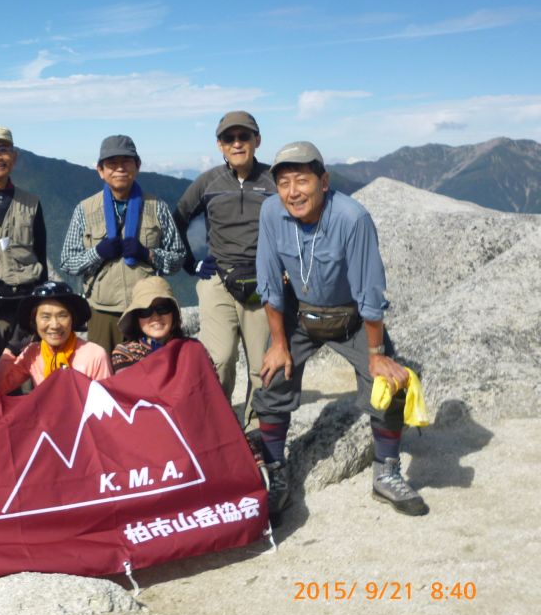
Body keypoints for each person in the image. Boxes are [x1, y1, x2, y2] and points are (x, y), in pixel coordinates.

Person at [253, 141, 427, 521]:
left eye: (302, 180)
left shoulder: (352, 218)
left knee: (388, 386)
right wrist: (278, 343)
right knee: (271, 380)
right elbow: (267, 281)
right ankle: (276, 471)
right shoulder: (270, 213)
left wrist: (377, 355)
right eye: (284, 183)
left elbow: (369, 290)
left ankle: (386, 471)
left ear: (324, 181)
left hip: (350, 318)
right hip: (300, 315)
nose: (293, 192)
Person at [173, 112, 276, 423]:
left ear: (257, 140)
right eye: (229, 138)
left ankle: (257, 435)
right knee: (219, 360)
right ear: (219, 145)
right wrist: (191, 264)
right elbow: (177, 219)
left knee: (262, 367)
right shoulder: (208, 182)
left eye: (244, 137)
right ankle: (218, 428)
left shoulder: (274, 180)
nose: (237, 143)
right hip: (218, 278)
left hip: (262, 282)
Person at [60, 134, 185, 354]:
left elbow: (177, 258)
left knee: (149, 378)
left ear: (137, 166)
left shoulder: (157, 207)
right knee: (103, 378)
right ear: (100, 170)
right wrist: (97, 253)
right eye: (112, 163)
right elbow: (68, 262)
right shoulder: (85, 210)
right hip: (102, 312)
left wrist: (148, 254)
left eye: (126, 161)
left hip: (146, 312)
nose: (119, 168)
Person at [0, 125, 48, 372]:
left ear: (14, 157)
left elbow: (41, 256)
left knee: (26, 378)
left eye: (3, 149)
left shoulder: (31, 202)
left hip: (25, 307)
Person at [0, 281, 112, 394]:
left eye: (62, 315)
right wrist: (11, 350)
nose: (55, 325)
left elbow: (106, 406)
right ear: (34, 322)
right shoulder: (32, 353)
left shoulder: (95, 355)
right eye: (45, 317)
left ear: (73, 319)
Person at [111, 277, 188, 373]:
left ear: (173, 312)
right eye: (145, 311)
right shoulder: (124, 353)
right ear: (136, 317)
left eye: (163, 308)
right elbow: (127, 386)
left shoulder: (192, 349)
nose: (156, 317)